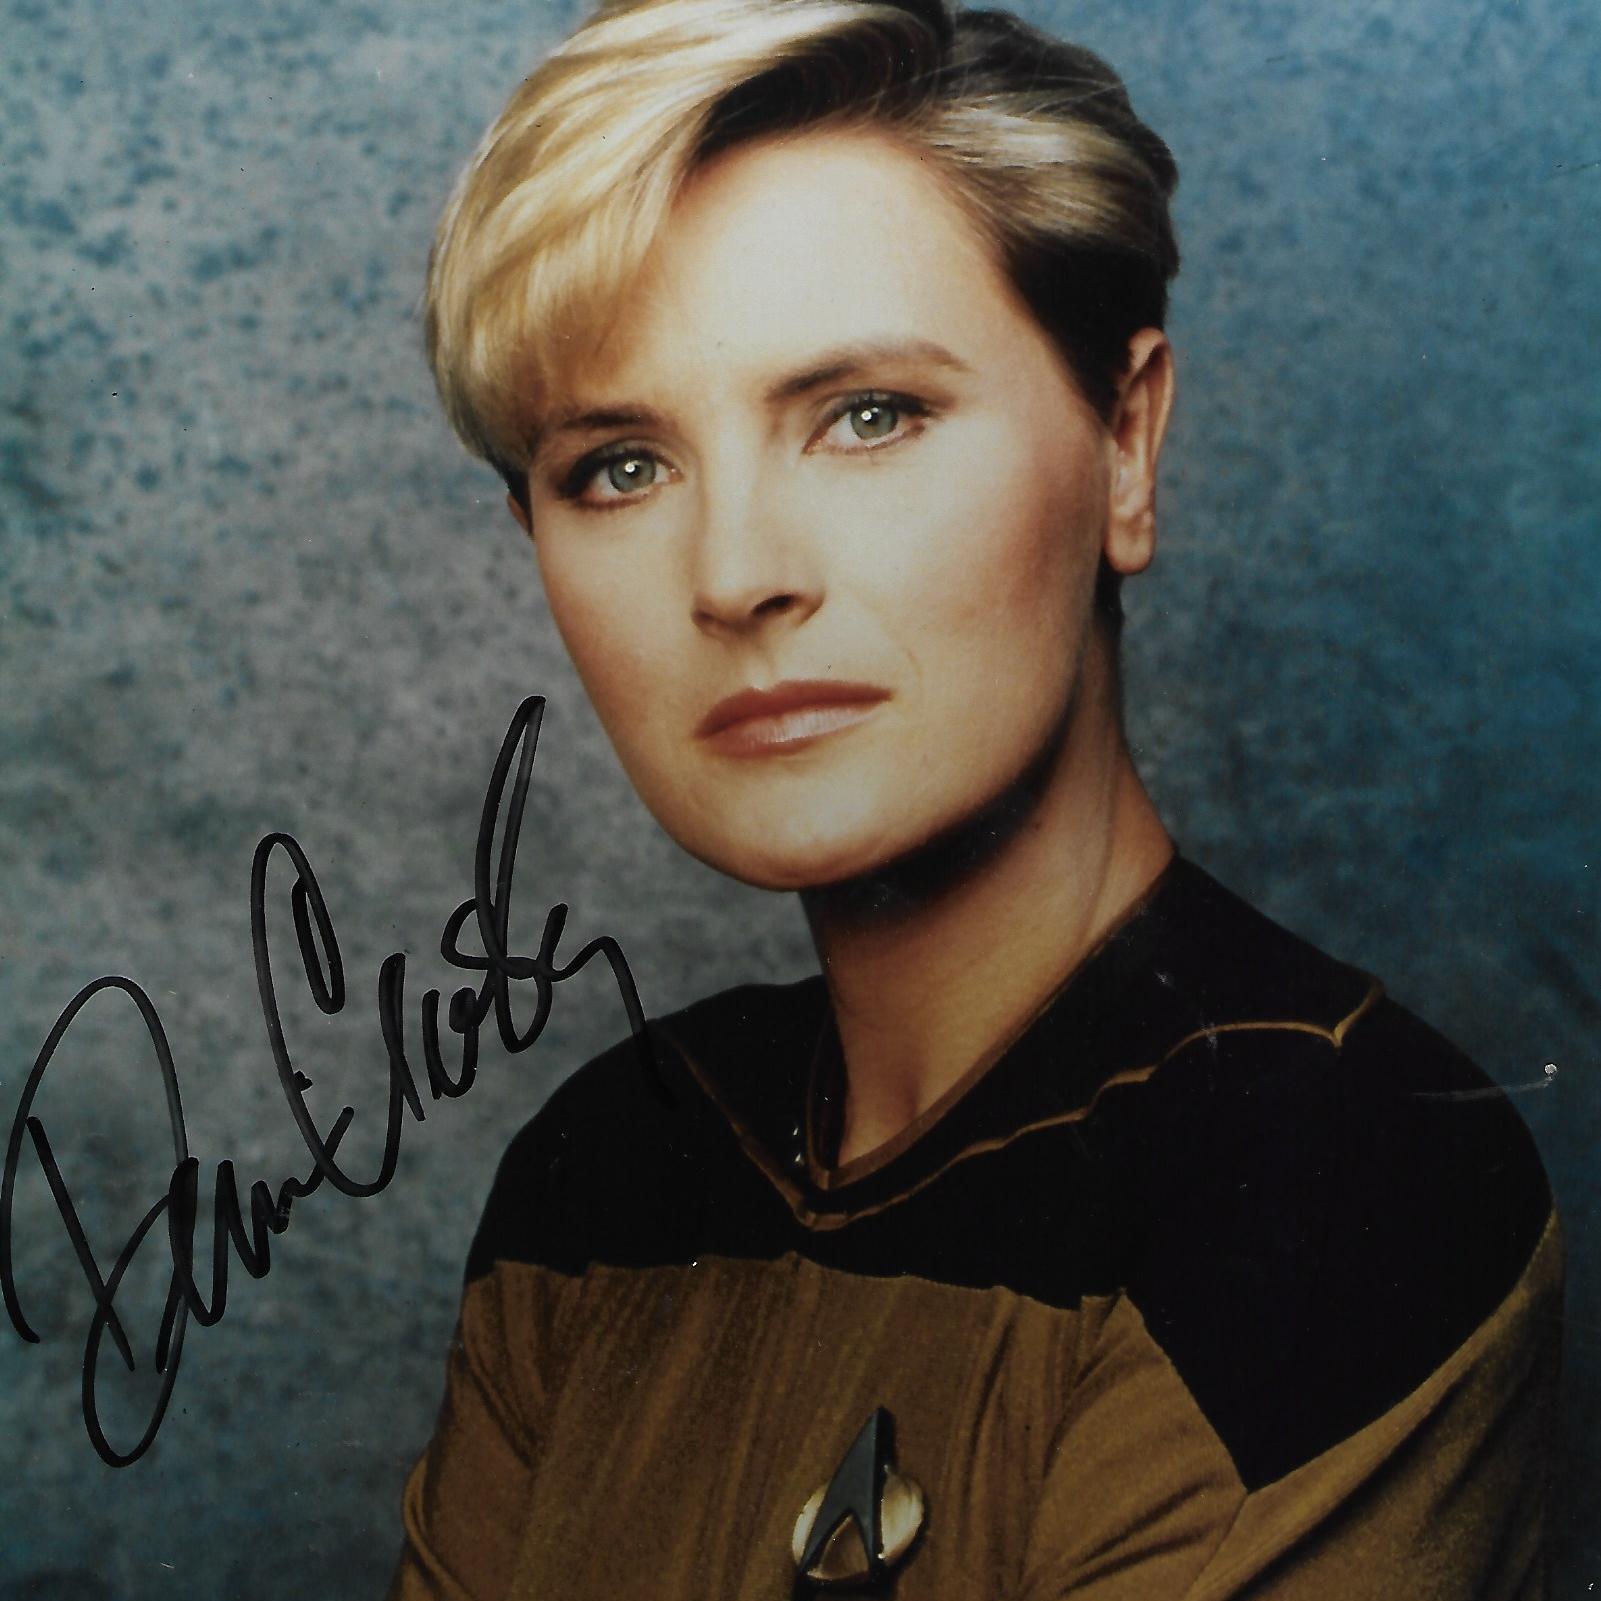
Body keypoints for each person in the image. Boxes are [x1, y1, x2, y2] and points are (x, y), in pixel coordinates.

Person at [388, 0, 1561, 1594]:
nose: (734, 573)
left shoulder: (1341, 1169)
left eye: (868, 416)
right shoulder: (601, 1178)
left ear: (1124, 443)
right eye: (619, 465)